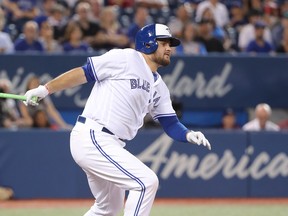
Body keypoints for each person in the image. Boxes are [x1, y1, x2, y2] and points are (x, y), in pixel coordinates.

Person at [23, 23, 211, 216]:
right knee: (146, 182)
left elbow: (170, 123)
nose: (169, 48)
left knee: (108, 208)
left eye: (170, 44)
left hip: (110, 143)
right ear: (148, 43)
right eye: (164, 43)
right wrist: (45, 89)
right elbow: (84, 73)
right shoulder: (126, 58)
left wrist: (188, 134)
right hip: (93, 136)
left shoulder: (159, 86)